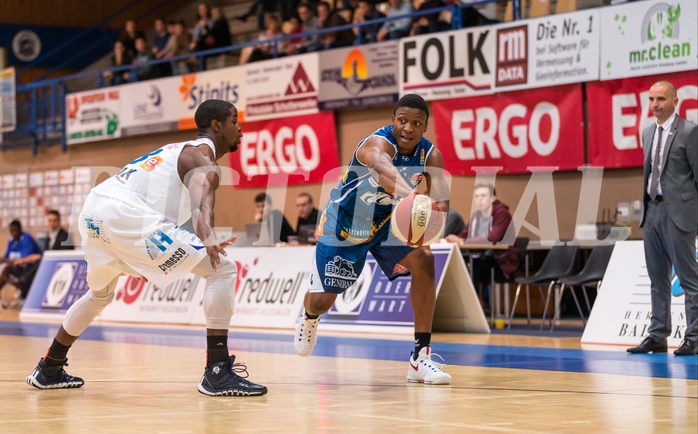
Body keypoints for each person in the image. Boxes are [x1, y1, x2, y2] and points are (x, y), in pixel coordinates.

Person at [26, 99, 268, 395]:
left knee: (99, 295)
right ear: (217, 125)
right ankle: (216, 371)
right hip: (122, 212)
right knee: (223, 270)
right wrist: (208, 237)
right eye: (234, 120)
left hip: (94, 208)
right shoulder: (203, 156)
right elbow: (201, 209)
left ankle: (49, 367)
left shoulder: (178, 151)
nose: (239, 128)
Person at [293, 94, 452, 385]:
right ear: (392, 120)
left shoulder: (431, 156)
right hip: (347, 223)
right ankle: (308, 316)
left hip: (389, 224)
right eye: (402, 120)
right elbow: (383, 169)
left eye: (416, 123)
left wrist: (431, 225)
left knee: (426, 261)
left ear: (425, 127)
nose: (408, 128)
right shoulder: (376, 144)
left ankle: (420, 357)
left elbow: (442, 201)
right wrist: (414, 199)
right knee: (322, 301)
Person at [627, 81, 698, 356]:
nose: (655, 104)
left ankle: (694, 337)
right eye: (651, 99)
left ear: (675, 101)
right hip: (652, 211)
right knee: (657, 279)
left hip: (679, 214)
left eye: (661, 99)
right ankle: (658, 335)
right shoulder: (647, 132)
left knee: (689, 279)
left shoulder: (690, 132)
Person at [444, 184, 516, 308]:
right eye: (477, 196)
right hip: (482, 257)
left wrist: (463, 241)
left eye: (483, 196)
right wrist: (455, 239)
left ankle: (470, 308)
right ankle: (462, 308)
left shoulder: (502, 213)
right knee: (464, 266)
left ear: (493, 198)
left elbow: (493, 238)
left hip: (502, 260)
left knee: (471, 268)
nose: (479, 199)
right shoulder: (477, 215)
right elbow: (463, 235)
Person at [0, 220, 43, 301]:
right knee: (6, 268)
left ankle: (24, 291)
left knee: (10, 267)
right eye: (12, 231)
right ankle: (21, 289)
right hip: (18, 267)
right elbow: (6, 257)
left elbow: (24, 260)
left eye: (16, 230)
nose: (14, 233)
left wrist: (10, 261)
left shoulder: (27, 238)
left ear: (20, 229)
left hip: (32, 267)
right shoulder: (11, 240)